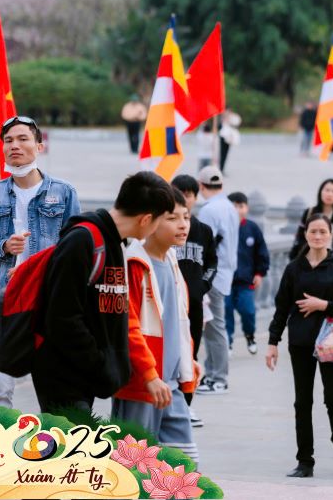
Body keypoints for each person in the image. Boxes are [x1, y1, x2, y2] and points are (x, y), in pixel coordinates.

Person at [32, 171, 175, 414]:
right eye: (160, 221)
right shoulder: (82, 241)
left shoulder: (116, 243)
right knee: (65, 447)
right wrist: (99, 364)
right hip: (61, 375)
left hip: (83, 376)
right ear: (146, 219)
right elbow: (62, 318)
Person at [0, 115, 81, 409]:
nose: (15, 146)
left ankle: (55, 442)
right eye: (8, 141)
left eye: (23, 139)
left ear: (39, 145)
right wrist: (4, 246)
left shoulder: (63, 192)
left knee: (54, 381)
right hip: (7, 297)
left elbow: (76, 248)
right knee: (1, 386)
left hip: (49, 300)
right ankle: (0, 443)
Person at [266, 213, 333, 478]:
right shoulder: (293, 269)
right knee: (302, 402)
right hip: (300, 343)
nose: (317, 236)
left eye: (322, 232)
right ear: (306, 234)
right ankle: (305, 461)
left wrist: (324, 306)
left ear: (330, 234)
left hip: (332, 344)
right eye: (313, 232)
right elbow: (281, 308)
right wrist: (273, 342)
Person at [114, 186, 199, 464]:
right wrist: (150, 375)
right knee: (134, 469)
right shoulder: (133, 263)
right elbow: (128, 327)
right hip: (142, 384)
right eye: (173, 218)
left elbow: (180, 322)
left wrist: (189, 361)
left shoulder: (172, 261)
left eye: (186, 217)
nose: (183, 225)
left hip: (170, 384)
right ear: (149, 221)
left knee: (183, 468)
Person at [170, 174, 217, 425]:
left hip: (194, 305)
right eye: (180, 193)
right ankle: (170, 405)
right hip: (167, 305)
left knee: (191, 355)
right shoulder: (161, 227)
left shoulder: (203, 231)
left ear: (195, 197)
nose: (185, 199)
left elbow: (212, 263)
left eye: (189, 194)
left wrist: (202, 286)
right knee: (168, 355)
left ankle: (187, 406)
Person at [195, 166, 239, 396]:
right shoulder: (230, 207)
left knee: (214, 326)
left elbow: (205, 245)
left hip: (213, 273)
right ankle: (212, 375)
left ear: (201, 186)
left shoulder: (209, 210)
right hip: (226, 271)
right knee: (213, 326)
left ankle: (218, 378)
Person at [226, 191, 269, 355]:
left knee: (248, 311)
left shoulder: (252, 228)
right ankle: (228, 342)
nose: (237, 209)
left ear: (247, 208)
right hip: (226, 281)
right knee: (226, 311)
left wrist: (259, 273)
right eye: (234, 206)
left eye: (241, 206)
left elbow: (262, 253)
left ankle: (250, 335)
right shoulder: (222, 228)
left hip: (246, 281)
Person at [290, 179, 333, 260]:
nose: (330, 194)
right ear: (320, 192)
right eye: (327, 190)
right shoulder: (309, 212)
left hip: (331, 263)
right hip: (308, 262)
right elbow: (299, 237)